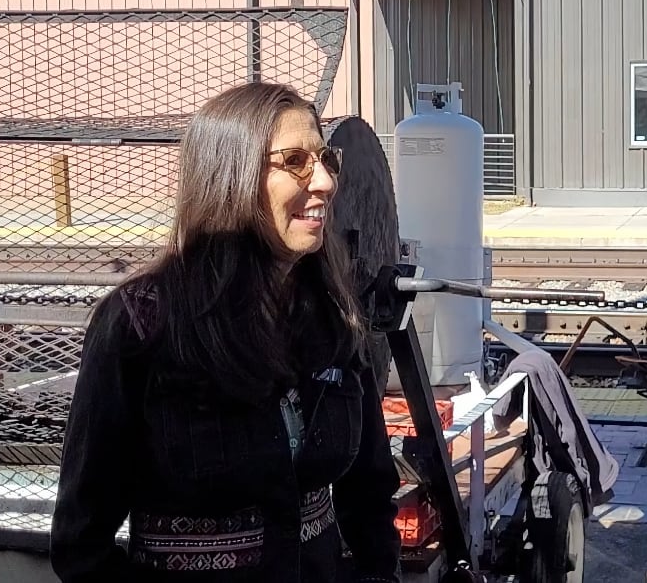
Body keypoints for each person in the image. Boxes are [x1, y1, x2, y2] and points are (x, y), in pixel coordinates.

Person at [51, 82, 401, 583]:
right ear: (231, 177)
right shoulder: (140, 325)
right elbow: (80, 543)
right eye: (296, 160)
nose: (324, 181)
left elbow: (369, 491)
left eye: (326, 158)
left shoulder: (332, 312)